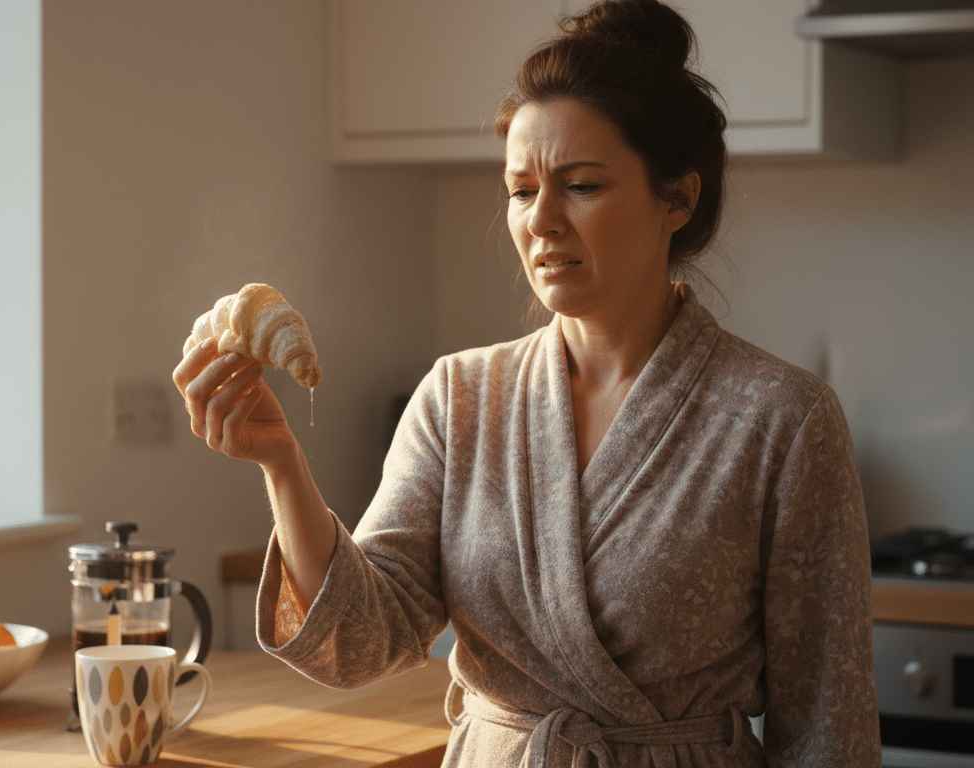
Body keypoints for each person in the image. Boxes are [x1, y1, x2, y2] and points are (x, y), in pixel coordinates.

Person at [173, 1, 880, 765]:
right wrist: (282, 464)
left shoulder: (781, 418)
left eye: (580, 185)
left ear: (677, 197)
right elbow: (361, 642)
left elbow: (828, 728)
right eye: (520, 190)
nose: (541, 220)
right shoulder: (459, 396)